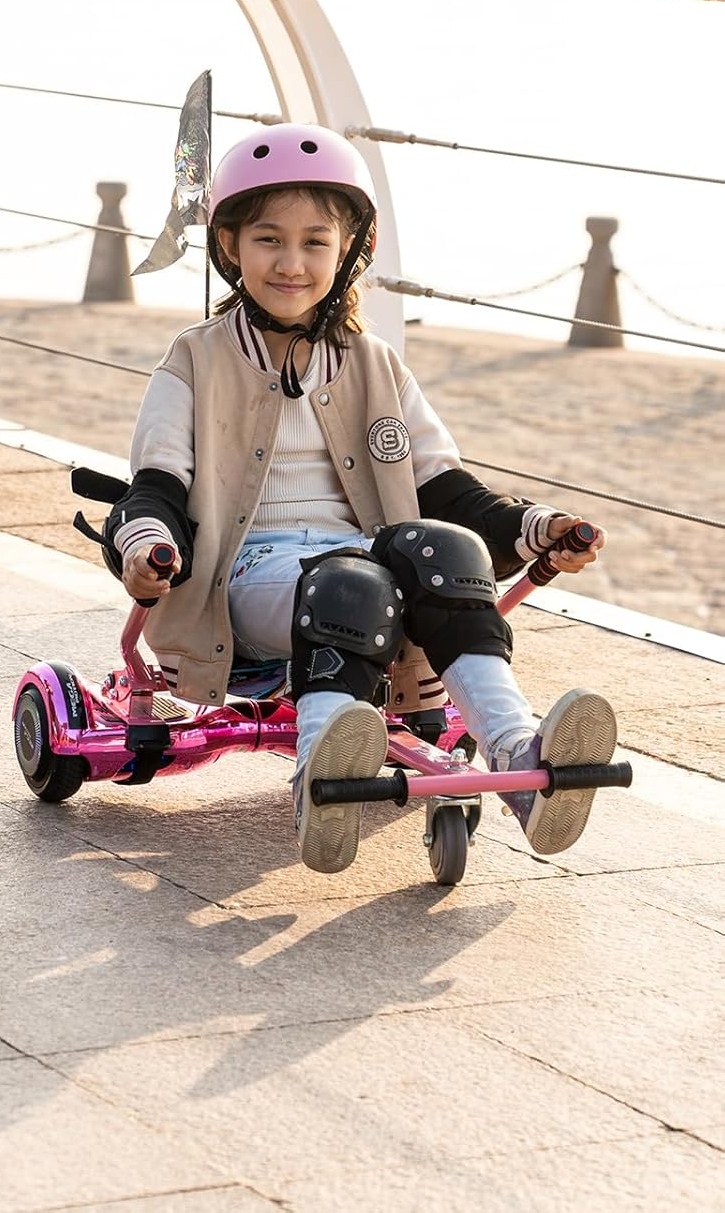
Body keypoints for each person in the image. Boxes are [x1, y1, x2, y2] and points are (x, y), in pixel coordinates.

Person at [105, 123, 617, 874]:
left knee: (442, 549)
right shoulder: (194, 359)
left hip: (364, 570)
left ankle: (521, 759)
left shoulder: (373, 362)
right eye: (268, 240)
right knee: (354, 582)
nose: (292, 262)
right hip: (245, 579)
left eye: (317, 242)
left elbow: (445, 487)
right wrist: (145, 545)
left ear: (350, 252)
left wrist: (538, 528)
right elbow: (155, 484)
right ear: (230, 248)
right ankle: (323, 773)